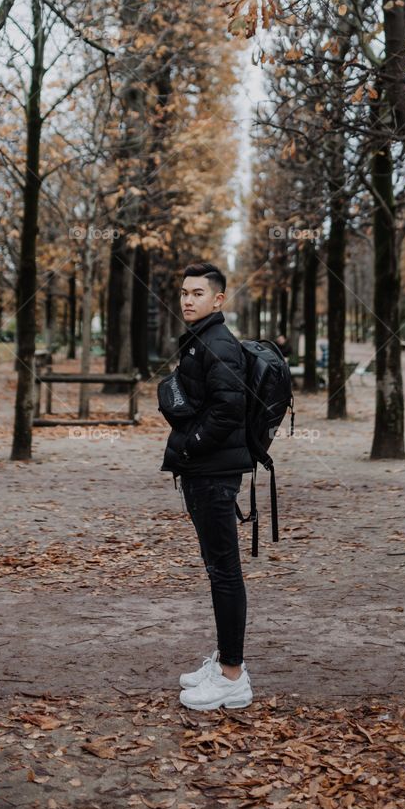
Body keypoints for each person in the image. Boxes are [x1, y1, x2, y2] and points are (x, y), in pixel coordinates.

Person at [159, 261, 254, 710]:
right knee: (218, 569)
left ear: (218, 300)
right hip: (205, 472)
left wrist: (191, 447)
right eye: (183, 292)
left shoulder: (219, 345)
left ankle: (233, 676)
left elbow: (228, 411)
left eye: (197, 293)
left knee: (225, 572)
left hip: (214, 475)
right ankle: (224, 664)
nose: (187, 300)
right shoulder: (201, 341)